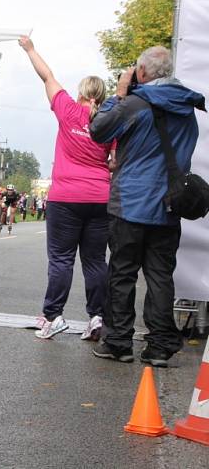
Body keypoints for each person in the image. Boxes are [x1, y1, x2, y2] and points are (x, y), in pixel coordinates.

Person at [89, 45, 205, 366]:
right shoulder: (186, 106)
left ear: (141, 72)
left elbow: (98, 130)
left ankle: (119, 342)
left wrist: (119, 92)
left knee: (123, 274)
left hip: (131, 203)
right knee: (160, 276)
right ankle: (159, 347)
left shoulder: (135, 103)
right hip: (169, 206)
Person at [19, 36, 113, 340]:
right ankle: (97, 317)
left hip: (65, 198)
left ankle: (53, 316)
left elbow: (47, 75)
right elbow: (116, 163)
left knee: (61, 260)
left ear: (81, 93)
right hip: (100, 199)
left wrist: (30, 49)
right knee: (95, 261)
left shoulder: (67, 109)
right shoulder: (111, 123)